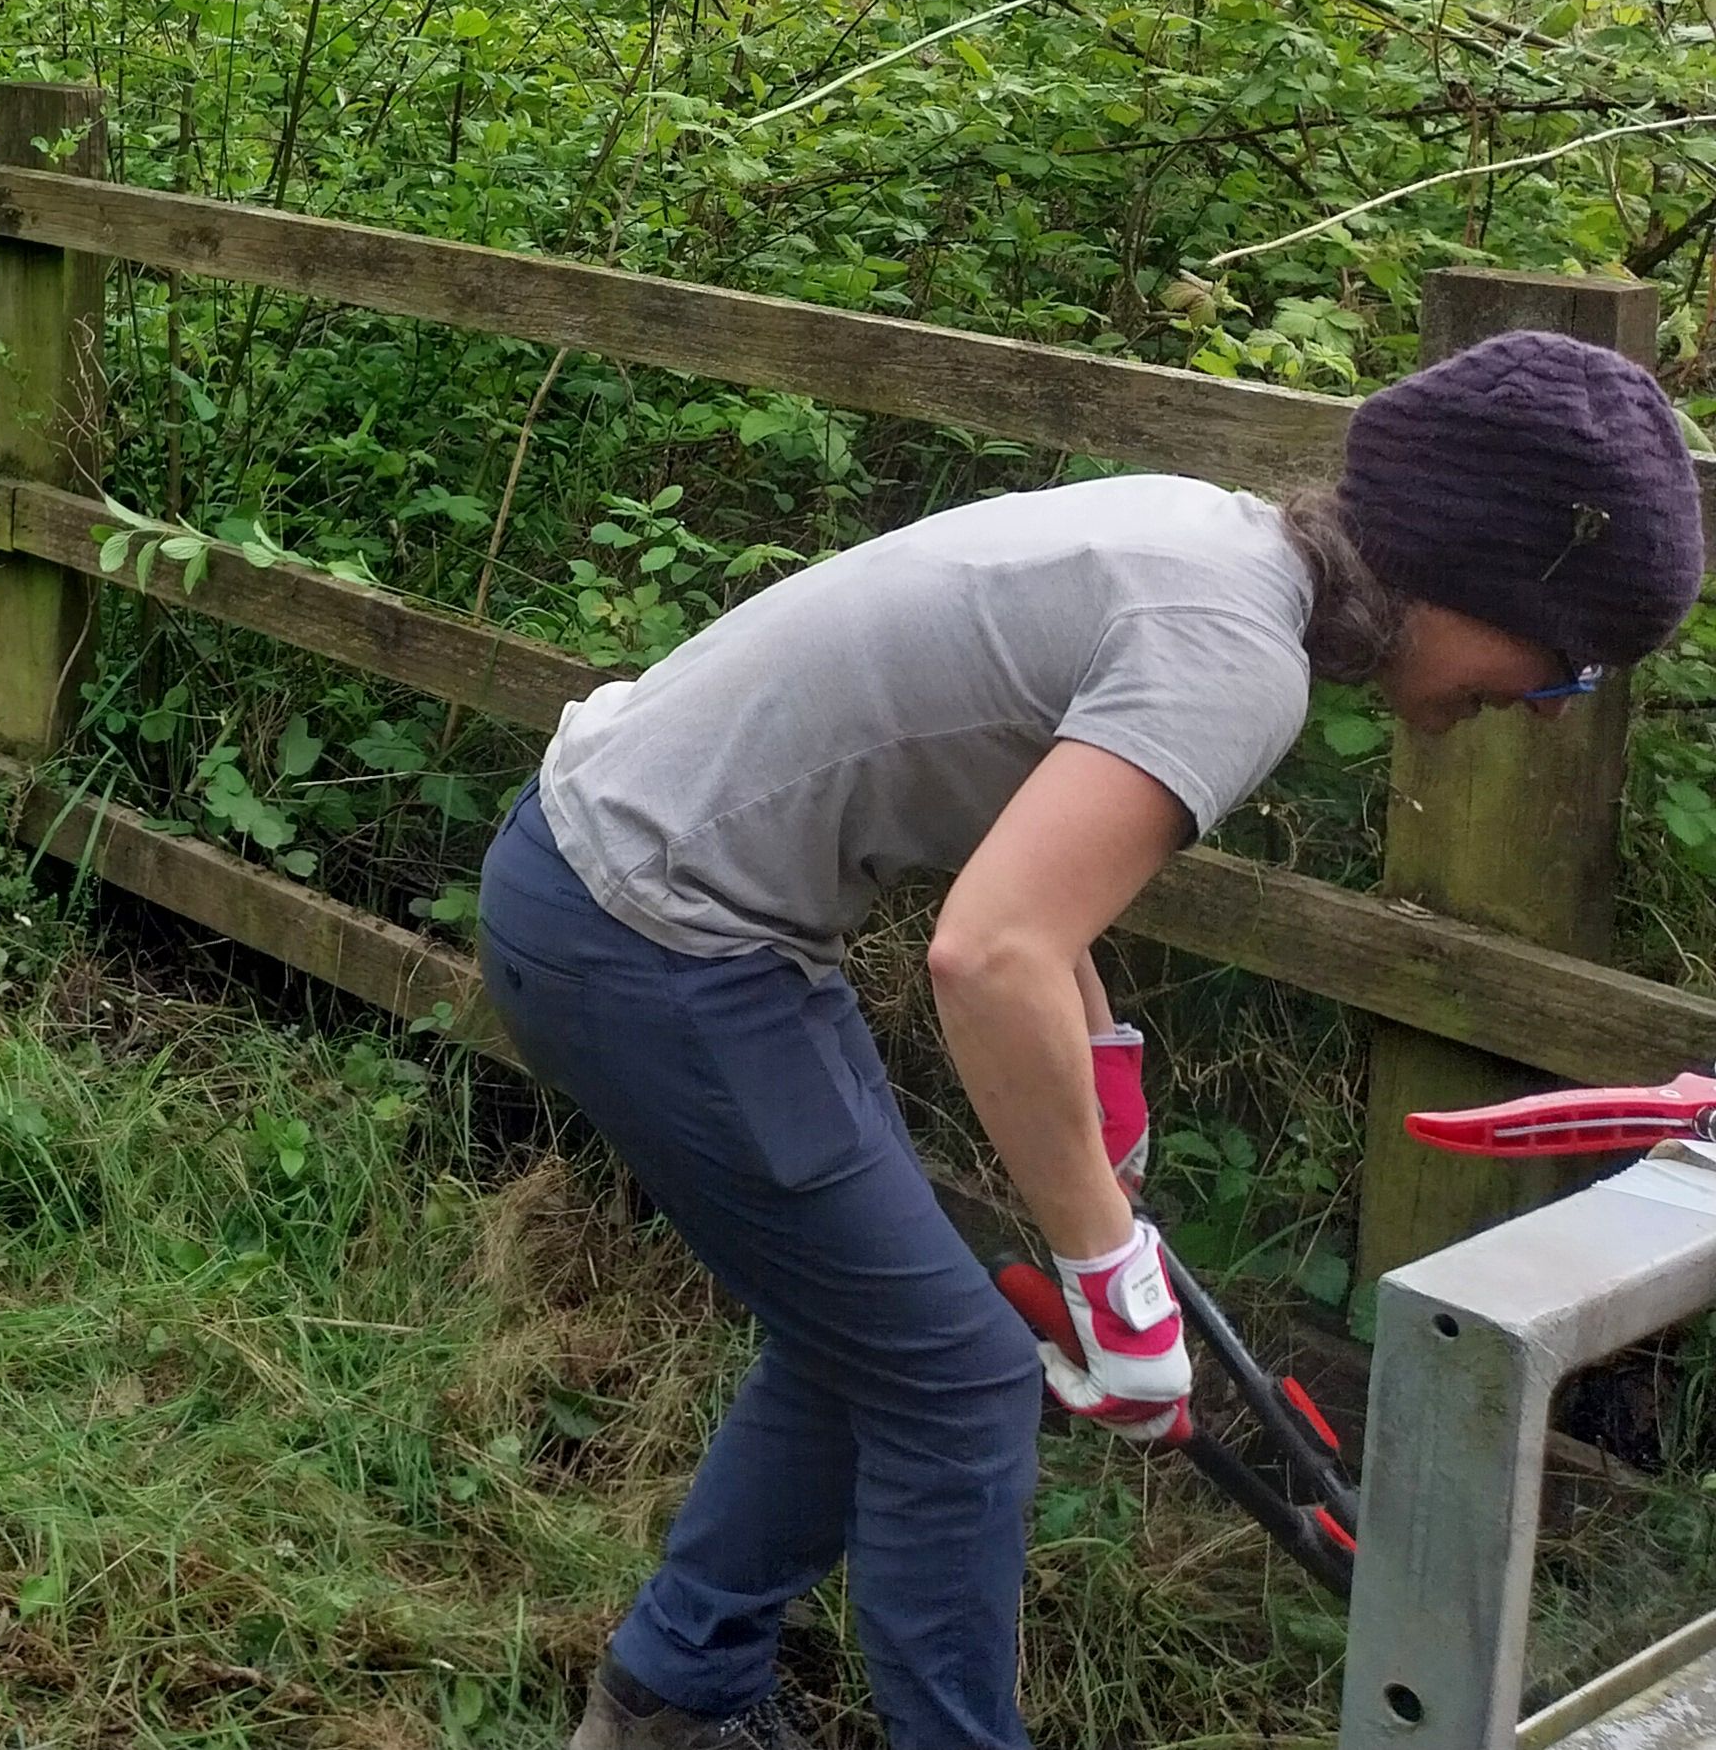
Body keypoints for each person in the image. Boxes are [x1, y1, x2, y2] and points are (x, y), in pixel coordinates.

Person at [477, 332, 1703, 1750]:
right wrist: (1109, 1273)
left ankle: (672, 1700)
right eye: (1564, 669)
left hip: (633, 893)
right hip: (646, 933)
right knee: (959, 1379)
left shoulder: (1215, 550)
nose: (1546, 709)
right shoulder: (1235, 657)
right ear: (1479, 573)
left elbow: (1039, 898)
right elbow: (991, 952)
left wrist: (1099, 1080)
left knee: (873, 1335)